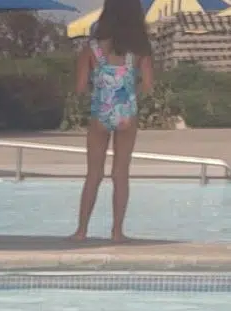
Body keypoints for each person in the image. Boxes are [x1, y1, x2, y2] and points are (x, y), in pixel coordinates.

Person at [69, 0, 151, 243]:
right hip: (127, 112)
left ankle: (81, 231)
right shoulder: (141, 49)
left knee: (93, 173)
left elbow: (80, 87)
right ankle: (117, 232)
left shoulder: (92, 48)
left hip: (100, 113)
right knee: (121, 173)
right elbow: (148, 86)